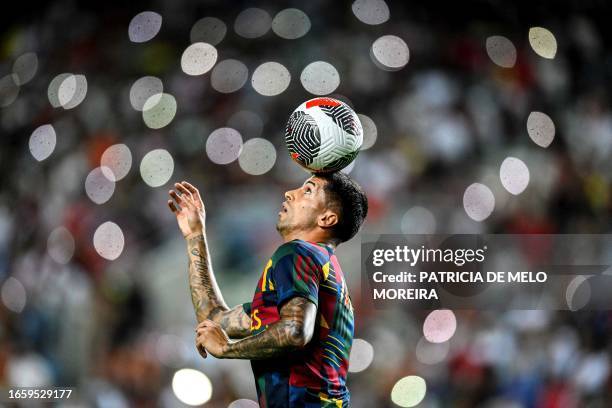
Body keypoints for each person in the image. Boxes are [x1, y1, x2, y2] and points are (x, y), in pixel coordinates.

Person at [167, 172, 368, 407]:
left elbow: (294, 331)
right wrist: (195, 236)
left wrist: (226, 348)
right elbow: (215, 320)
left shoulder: (298, 253)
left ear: (327, 218)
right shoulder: (320, 268)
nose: (290, 193)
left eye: (308, 191)